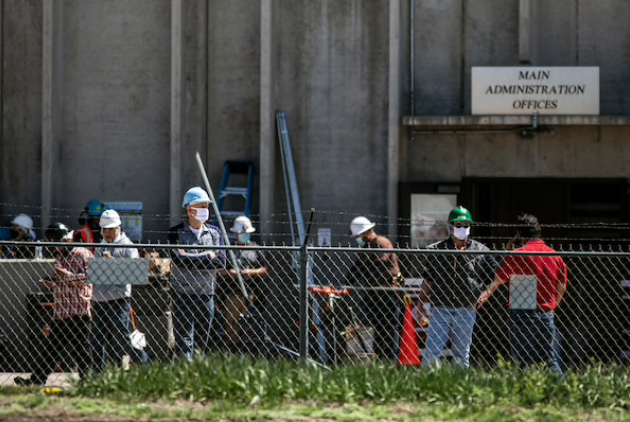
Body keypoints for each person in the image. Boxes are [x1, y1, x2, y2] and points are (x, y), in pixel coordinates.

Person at [476, 213, 568, 375]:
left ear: (519, 233)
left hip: (521, 311)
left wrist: (486, 293)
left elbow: (500, 277)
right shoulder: (554, 256)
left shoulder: (519, 254)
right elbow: (562, 283)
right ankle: (559, 391)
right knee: (549, 359)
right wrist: (554, 305)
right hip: (546, 312)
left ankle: (524, 391)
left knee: (523, 360)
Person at [15, 223, 93, 386]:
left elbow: (90, 278)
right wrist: (54, 284)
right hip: (62, 311)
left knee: (82, 350)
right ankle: (36, 381)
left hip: (79, 312)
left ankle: (88, 381)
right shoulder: (61, 257)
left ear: (66, 240)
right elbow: (65, 282)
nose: (54, 247)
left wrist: (68, 276)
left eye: (56, 243)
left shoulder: (83, 253)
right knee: (51, 350)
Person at [421, 206, 498, 368]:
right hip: (441, 308)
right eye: (458, 225)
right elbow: (428, 279)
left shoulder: (481, 250)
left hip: (467, 308)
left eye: (465, 225)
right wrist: (421, 303)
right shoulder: (438, 250)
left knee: (462, 352)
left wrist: (486, 293)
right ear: (451, 227)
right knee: (432, 350)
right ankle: (426, 382)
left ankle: (461, 385)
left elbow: (499, 274)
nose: (462, 228)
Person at [168, 187, 227, 361]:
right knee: (184, 341)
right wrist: (208, 255)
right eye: (201, 206)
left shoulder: (215, 233)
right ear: (189, 209)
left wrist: (190, 257)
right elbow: (178, 260)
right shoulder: (176, 232)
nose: (205, 210)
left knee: (203, 341)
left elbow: (221, 261)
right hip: (182, 294)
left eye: (206, 206)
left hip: (206, 294)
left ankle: (198, 374)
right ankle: (184, 373)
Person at [91, 209, 146, 372]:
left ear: (118, 229)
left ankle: (145, 367)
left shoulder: (128, 247)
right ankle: (97, 374)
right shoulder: (101, 247)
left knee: (124, 337)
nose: (107, 234)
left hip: (119, 300)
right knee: (96, 338)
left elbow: (136, 274)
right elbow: (96, 274)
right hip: (99, 300)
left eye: (110, 230)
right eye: (104, 230)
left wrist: (113, 264)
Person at [345, 216, 403, 361]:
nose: (357, 239)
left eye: (358, 236)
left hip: (389, 291)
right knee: (378, 327)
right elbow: (357, 268)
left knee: (388, 327)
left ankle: (390, 359)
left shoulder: (380, 243)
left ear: (365, 233)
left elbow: (378, 267)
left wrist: (362, 276)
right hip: (375, 292)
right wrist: (346, 283)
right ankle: (379, 358)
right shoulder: (367, 247)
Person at [218, 216, 269, 351]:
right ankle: (232, 349)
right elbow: (219, 270)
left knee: (250, 323)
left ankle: (249, 349)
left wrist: (251, 272)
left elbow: (265, 269)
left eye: (246, 233)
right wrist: (231, 273)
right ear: (236, 233)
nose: (244, 236)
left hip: (252, 295)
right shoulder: (229, 251)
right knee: (231, 323)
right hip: (232, 294)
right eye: (242, 233)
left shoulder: (256, 249)